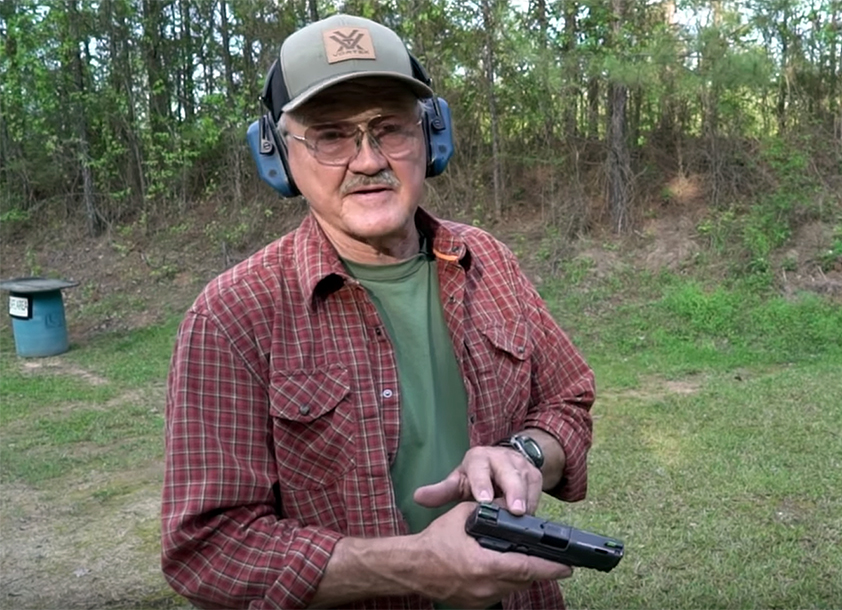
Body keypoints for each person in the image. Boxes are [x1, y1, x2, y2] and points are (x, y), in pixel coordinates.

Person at [160, 14, 595, 610]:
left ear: (431, 137)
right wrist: (412, 565)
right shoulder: (232, 316)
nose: (367, 160)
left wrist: (524, 456)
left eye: (390, 128)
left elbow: (568, 401)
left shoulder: (489, 262)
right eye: (331, 136)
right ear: (277, 155)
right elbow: (207, 551)